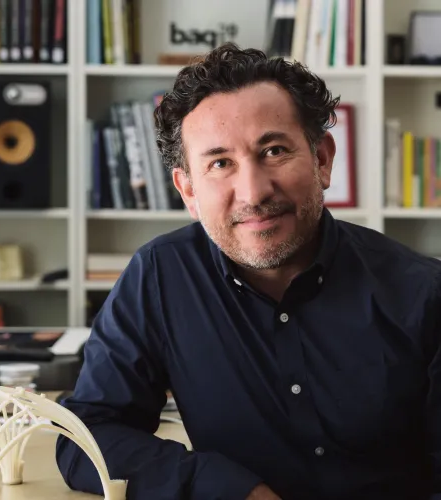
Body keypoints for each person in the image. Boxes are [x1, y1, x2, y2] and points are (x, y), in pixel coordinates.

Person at [56, 43, 441, 500]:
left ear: (322, 159)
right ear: (188, 190)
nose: (253, 192)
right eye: (220, 164)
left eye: (274, 151)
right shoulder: (160, 276)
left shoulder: (424, 293)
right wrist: (226, 487)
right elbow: (86, 436)